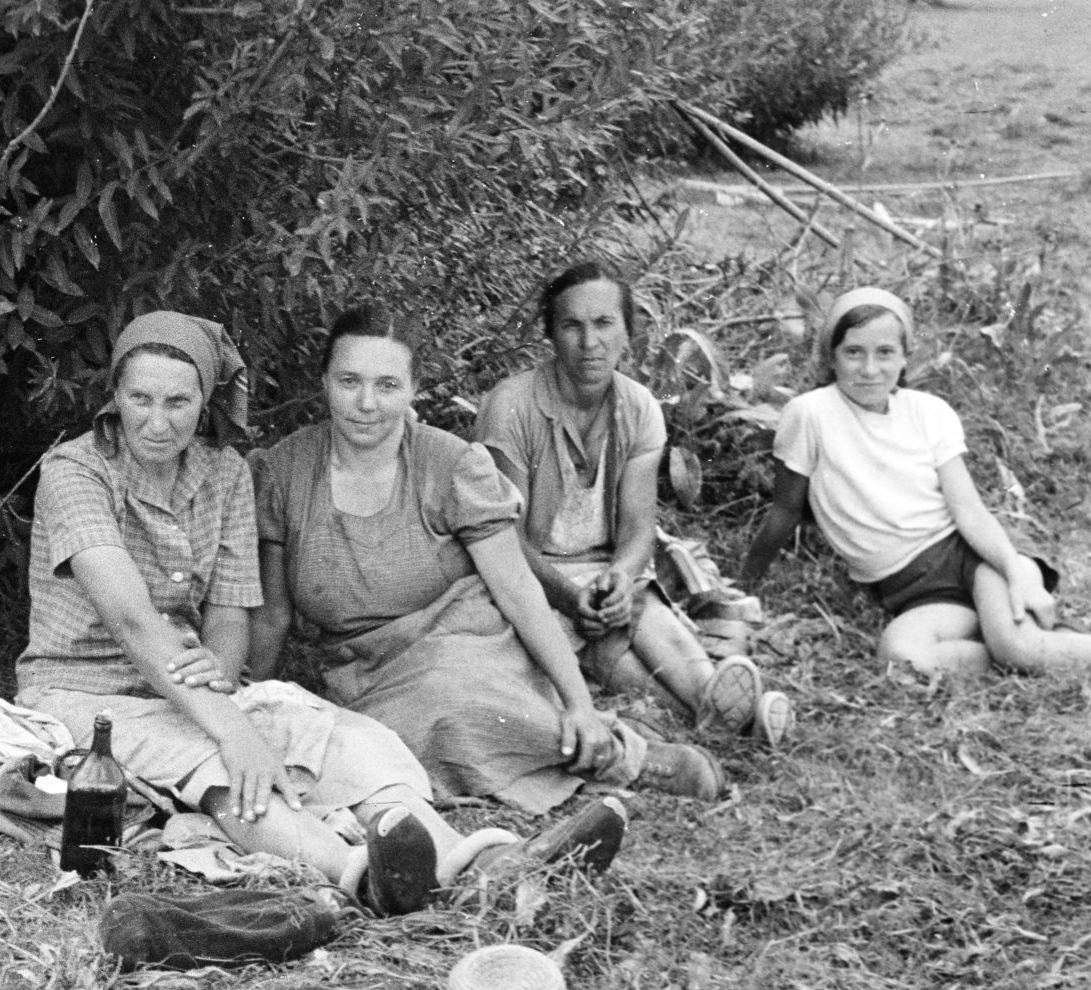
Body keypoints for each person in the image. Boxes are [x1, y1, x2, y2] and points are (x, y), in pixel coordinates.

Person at [14, 311, 627, 918]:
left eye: (178, 402)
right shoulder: (76, 471)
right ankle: (361, 876)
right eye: (139, 398)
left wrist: (229, 686)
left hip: (191, 686)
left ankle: (481, 862)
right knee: (224, 770)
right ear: (115, 396)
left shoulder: (223, 471)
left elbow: (231, 614)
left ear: (205, 402)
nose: (156, 421)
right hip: (86, 692)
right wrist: (234, 728)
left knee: (352, 741)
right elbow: (132, 622)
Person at [248, 302, 727, 821]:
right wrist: (248, 700)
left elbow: (519, 590)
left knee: (449, 700)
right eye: (348, 381)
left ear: (413, 390)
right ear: (323, 382)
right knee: (360, 743)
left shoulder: (450, 465)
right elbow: (273, 615)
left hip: (461, 640)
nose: (366, 403)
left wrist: (579, 703)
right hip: (353, 668)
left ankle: (619, 755)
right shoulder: (284, 472)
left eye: (387, 385)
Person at [475, 262, 791, 745]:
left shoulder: (639, 406)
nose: (590, 342)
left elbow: (638, 528)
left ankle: (714, 703)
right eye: (572, 325)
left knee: (641, 611)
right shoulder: (511, 406)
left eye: (604, 323)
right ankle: (732, 720)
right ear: (551, 335)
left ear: (627, 331)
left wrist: (620, 577)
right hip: (530, 578)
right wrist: (568, 595)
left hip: (603, 567)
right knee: (603, 646)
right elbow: (505, 538)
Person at [739, 287, 1091, 677]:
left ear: (905, 355)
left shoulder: (928, 412)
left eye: (885, 352)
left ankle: (1019, 641)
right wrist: (744, 585)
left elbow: (969, 510)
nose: (870, 369)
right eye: (854, 352)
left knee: (1018, 647)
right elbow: (785, 511)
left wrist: (1017, 575)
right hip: (912, 592)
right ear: (831, 356)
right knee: (901, 659)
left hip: (972, 559)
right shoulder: (809, 415)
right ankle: (1020, 642)